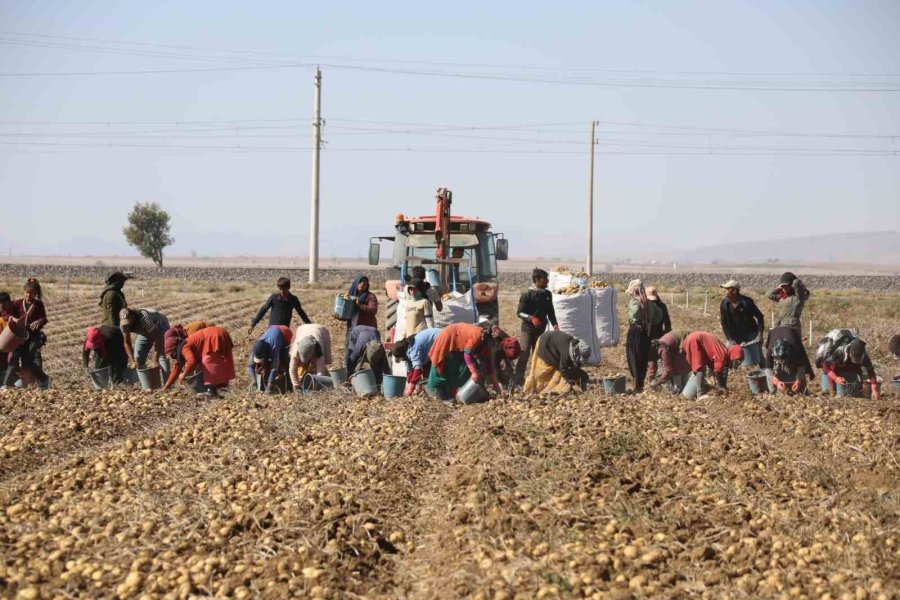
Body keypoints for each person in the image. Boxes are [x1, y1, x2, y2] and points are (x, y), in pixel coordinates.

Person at [427, 322, 502, 398]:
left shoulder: (486, 343)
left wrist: (495, 383)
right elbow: (467, 354)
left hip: (459, 345)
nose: (493, 345)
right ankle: (436, 393)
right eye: (493, 342)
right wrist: (474, 372)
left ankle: (452, 394)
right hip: (450, 338)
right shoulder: (478, 335)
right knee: (445, 369)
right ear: (489, 337)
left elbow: (488, 362)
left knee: (461, 371)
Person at [514, 269, 559, 387]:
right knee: (524, 354)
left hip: (541, 330)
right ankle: (518, 381)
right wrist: (532, 318)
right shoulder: (527, 295)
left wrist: (555, 324)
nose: (547, 281)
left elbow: (551, 312)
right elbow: (520, 313)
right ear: (537, 280)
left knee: (539, 355)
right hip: (528, 330)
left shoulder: (547, 294)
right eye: (545, 279)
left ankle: (537, 381)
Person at [161, 326, 235, 396]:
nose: (172, 356)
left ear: (174, 349)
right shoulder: (182, 347)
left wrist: (184, 374)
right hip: (220, 333)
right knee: (218, 361)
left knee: (208, 361)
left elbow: (191, 362)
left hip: (215, 336)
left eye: (171, 354)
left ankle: (212, 389)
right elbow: (177, 368)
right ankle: (222, 385)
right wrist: (166, 386)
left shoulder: (184, 347)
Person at [4, 279, 50, 390]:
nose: (29, 295)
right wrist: (12, 318)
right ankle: (7, 384)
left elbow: (44, 319)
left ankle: (43, 379)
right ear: (24, 291)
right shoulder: (17, 303)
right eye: (27, 292)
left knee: (28, 362)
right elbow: (5, 313)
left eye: (32, 293)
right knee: (13, 359)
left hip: (33, 338)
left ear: (36, 293)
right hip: (18, 336)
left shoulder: (38, 305)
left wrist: (39, 321)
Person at [522, 330, 590, 396]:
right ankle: (531, 391)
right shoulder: (567, 353)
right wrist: (572, 382)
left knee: (562, 370)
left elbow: (575, 365)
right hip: (545, 345)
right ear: (577, 351)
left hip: (551, 341)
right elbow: (563, 371)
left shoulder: (575, 345)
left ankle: (548, 389)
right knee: (542, 373)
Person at [815, 329, 880, 398]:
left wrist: (874, 389)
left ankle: (858, 390)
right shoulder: (839, 351)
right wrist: (835, 378)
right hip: (834, 338)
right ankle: (832, 391)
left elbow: (871, 372)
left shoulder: (864, 355)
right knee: (832, 366)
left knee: (855, 369)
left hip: (850, 337)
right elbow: (826, 366)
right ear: (849, 352)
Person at [625, 279, 662, 393]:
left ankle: (638, 385)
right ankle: (640, 384)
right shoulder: (650, 303)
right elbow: (659, 316)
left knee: (634, 357)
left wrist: (639, 303)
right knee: (642, 357)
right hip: (646, 332)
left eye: (632, 291)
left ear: (635, 291)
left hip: (636, 331)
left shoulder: (634, 302)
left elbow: (635, 313)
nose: (630, 294)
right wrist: (650, 322)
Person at [719, 280, 765, 368]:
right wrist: (729, 339)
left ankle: (765, 378)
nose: (724, 291)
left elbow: (760, 317)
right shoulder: (724, 304)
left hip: (751, 334)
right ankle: (725, 379)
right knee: (725, 358)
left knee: (759, 359)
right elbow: (723, 323)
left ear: (734, 291)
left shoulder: (747, 302)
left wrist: (759, 335)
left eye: (726, 289)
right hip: (734, 336)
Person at [120, 308, 171, 377]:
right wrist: (132, 361)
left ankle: (167, 384)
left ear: (132, 316)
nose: (127, 324)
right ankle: (147, 385)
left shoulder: (144, 318)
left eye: (128, 322)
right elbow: (127, 342)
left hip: (160, 326)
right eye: (125, 323)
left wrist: (155, 360)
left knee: (162, 355)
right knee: (138, 358)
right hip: (145, 331)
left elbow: (158, 338)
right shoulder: (123, 324)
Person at [391, 327, 442, 395]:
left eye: (402, 358)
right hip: (431, 347)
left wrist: (411, 388)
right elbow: (409, 368)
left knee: (437, 368)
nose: (403, 360)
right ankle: (426, 389)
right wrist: (409, 382)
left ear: (403, 353)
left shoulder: (414, 348)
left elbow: (418, 368)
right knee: (425, 367)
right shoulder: (407, 349)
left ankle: (441, 392)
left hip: (441, 338)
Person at [766, 325, 815, 394]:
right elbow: (768, 369)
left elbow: (801, 366)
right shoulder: (770, 351)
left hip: (791, 333)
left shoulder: (796, 349)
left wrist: (798, 381)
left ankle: (803, 390)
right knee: (775, 373)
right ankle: (773, 393)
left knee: (797, 369)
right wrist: (776, 382)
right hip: (774, 333)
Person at [344, 275, 378, 371]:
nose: (363, 284)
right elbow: (346, 313)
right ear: (355, 284)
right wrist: (338, 315)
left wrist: (360, 305)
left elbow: (373, 310)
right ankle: (349, 376)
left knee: (368, 355)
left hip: (365, 331)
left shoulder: (370, 297)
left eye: (365, 283)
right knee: (349, 355)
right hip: (352, 329)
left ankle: (373, 378)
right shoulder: (350, 296)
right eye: (360, 282)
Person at [248, 325, 294, 394]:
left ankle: (288, 384)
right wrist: (254, 380)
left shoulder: (274, 348)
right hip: (272, 329)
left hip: (285, 333)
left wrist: (270, 386)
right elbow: (250, 366)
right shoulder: (256, 349)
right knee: (265, 364)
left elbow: (274, 368)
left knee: (284, 359)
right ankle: (265, 383)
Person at [288, 323, 332, 390]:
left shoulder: (319, 348)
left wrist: (317, 384)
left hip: (320, 330)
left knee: (322, 362)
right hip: (302, 329)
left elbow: (320, 371)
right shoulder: (295, 350)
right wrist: (296, 386)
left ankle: (329, 379)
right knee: (297, 364)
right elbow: (292, 369)